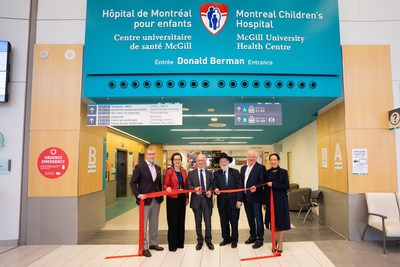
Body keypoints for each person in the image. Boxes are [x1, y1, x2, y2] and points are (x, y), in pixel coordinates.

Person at [130, 147, 164, 257]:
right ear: (146, 155)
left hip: (156, 200)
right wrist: (138, 195)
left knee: (154, 223)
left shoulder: (158, 168)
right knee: (143, 224)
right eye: (150, 154)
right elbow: (132, 183)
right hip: (144, 200)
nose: (152, 156)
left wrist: (160, 195)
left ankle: (153, 243)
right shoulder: (140, 167)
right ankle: (144, 247)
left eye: (153, 154)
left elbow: (158, 184)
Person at [213, 152, 243, 248]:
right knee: (223, 222)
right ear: (219, 163)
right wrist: (216, 189)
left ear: (228, 162)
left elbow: (239, 187)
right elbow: (215, 185)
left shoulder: (235, 172)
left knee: (234, 222)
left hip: (234, 202)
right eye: (221, 161)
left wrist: (239, 200)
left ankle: (234, 240)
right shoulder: (216, 173)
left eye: (225, 161)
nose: (223, 163)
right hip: (222, 202)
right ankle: (226, 239)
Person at [263, 153, 290, 253]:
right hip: (270, 201)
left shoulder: (283, 172)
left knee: (280, 222)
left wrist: (274, 184)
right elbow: (265, 189)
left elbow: (286, 186)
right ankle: (274, 242)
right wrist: (264, 202)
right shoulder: (267, 172)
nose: (273, 162)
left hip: (281, 201)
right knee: (272, 222)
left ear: (278, 160)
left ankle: (281, 243)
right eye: (271, 160)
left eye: (275, 160)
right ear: (269, 161)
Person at [187, 154, 214, 250]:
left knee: (208, 222)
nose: (201, 162)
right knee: (198, 222)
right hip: (196, 201)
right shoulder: (191, 173)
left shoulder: (210, 173)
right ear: (196, 162)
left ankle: (209, 240)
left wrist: (210, 190)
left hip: (207, 200)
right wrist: (195, 189)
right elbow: (188, 185)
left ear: (205, 161)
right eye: (199, 160)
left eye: (202, 160)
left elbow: (212, 184)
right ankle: (199, 241)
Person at [240, 150, 266, 249]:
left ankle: (260, 239)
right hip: (246, 198)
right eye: (249, 157)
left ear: (256, 158)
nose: (251, 159)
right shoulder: (243, 168)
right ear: (247, 157)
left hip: (256, 198)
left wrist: (256, 187)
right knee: (250, 218)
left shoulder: (260, 168)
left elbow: (262, 181)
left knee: (258, 219)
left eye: (253, 157)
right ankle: (252, 236)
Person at [163, 153, 189, 252]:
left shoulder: (183, 171)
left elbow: (185, 185)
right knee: (173, 222)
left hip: (182, 197)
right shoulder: (169, 172)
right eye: (175, 159)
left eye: (179, 159)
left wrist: (187, 197)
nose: (177, 161)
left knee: (181, 221)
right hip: (172, 198)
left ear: (181, 160)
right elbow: (165, 185)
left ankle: (180, 243)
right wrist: (168, 188)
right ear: (172, 161)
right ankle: (172, 245)